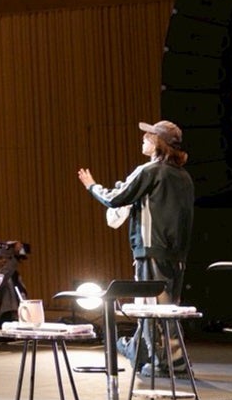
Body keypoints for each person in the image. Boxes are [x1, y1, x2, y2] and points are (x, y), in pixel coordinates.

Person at [78, 119, 195, 374]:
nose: (143, 139)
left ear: (156, 143)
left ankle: (170, 363)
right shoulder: (183, 176)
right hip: (176, 254)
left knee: (156, 309)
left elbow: (115, 199)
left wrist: (92, 187)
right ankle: (140, 352)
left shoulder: (151, 171)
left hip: (152, 250)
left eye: (148, 136)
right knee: (157, 306)